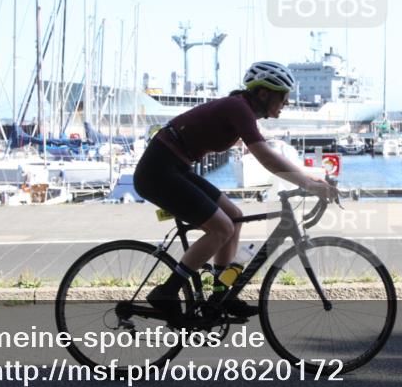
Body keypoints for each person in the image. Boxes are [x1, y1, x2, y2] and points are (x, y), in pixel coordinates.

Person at [133, 61, 338, 323]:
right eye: (283, 96)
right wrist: (308, 185)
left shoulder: (242, 109)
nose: (286, 102)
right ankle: (167, 293)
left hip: (176, 167)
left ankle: (220, 295)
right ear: (263, 93)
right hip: (158, 171)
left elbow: (274, 155)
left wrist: (316, 178)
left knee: (234, 216)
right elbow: (264, 155)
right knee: (221, 228)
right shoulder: (237, 108)